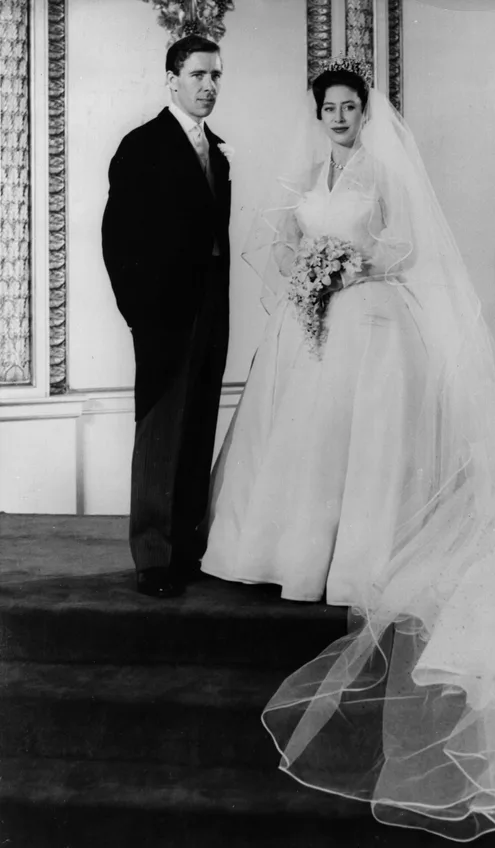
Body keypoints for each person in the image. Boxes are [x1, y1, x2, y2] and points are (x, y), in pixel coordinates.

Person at [201, 57, 495, 840]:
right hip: (312, 323)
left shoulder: (382, 170)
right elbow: (286, 240)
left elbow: (408, 245)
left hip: (371, 321)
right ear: (318, 113)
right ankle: (289, 557)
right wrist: (308, 271)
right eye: (330, 106)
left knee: (365, 443)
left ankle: (356, 559)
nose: (339, 116)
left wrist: (351, 266)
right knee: (302, 443)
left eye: (350, 106)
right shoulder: (309, 170)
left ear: (363, 111)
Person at [102, 35, 231, 598]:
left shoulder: (217, 151)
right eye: (198, 75)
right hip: (163, 317)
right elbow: (117, 239)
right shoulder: (142, 145)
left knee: (198, 424)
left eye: (216, 75)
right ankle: (153, 558)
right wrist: (142, 315)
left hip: (211, 310)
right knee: (160, 432)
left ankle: (184, 549)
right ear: (172, 80)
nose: (209, 85)